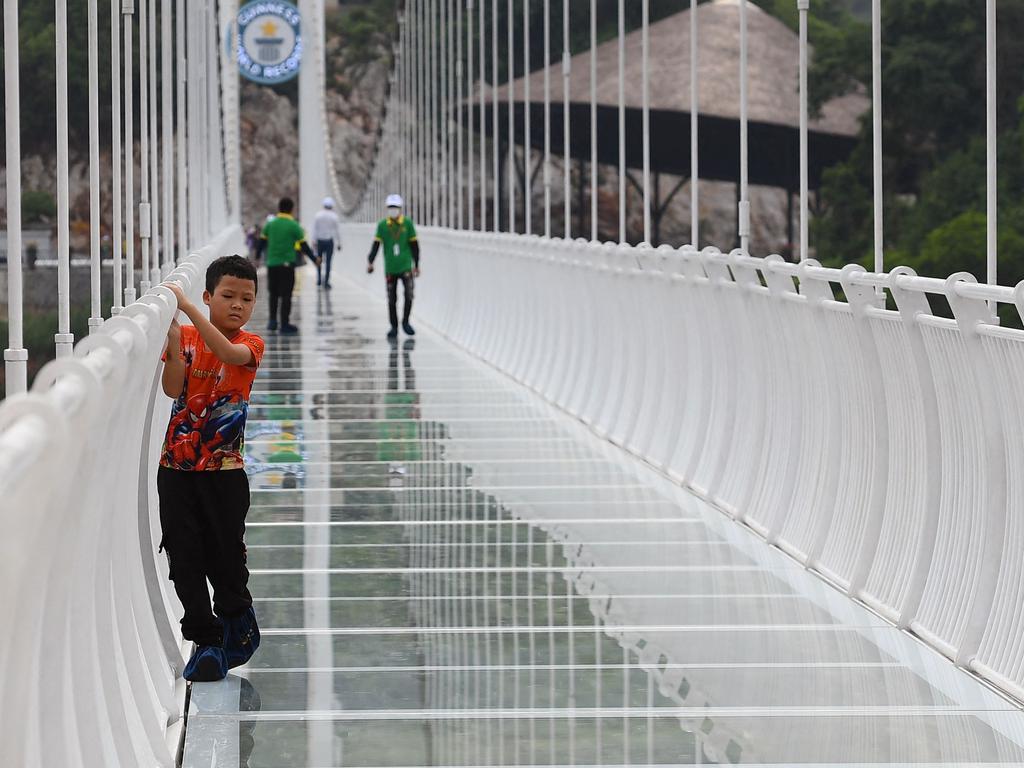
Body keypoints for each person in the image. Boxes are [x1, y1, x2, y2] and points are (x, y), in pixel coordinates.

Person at [158, 255, 265, 682]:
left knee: (224, 557)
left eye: (247, 299)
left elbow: (225, 350)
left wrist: (186, 309)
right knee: (184, 557)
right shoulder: (184, 337)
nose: (237, 305)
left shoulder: (252, 345)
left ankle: (237, 617)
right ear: (210, 296)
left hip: (225, 474)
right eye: (227, 296)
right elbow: (171, 388)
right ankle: (205, 642)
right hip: (176, 469)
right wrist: (171, 343)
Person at [256, 197, 317, 334]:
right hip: (287, 265)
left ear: (279, 208)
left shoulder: (270, 224)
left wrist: (257, 256)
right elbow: (304, 246)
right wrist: (314, 260)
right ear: (292, 209)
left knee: (273, 293)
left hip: (272, 264)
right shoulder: (294, 225)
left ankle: (272, 322)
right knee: (286, 295)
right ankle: (284, 324)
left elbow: (261, 242)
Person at [367, 193, 420, 339]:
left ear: (400, 208)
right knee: (391, 298)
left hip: (406, 267)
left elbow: (414, 245)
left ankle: (406, 322)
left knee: (409, 295)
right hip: (390, 267)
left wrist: (417, 264)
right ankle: (394, 326)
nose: (393, 210)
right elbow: (376, 245)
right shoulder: (383, 226)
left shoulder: (407, 224)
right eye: (390, 207)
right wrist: (370, 261)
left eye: (395, 207)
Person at [312, 196, 342, 289]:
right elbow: (337, 230)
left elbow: (314, 229)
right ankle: (327, 281)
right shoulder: (334, 216)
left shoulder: (318, 215)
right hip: (329, 241)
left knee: (318, 260)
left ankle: (319, 280)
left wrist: (313, 240)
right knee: (328, 262)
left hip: (319, 241)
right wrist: (339, 243)